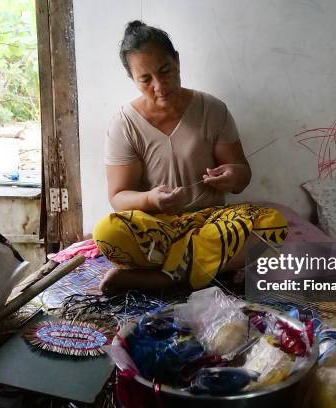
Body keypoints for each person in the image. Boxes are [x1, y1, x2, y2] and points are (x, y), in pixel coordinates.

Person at [92, 20, 288, 294]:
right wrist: (151, 199)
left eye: (165, 71)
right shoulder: (124, 124)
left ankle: (167, 279)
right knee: (106, 232)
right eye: (146, 79)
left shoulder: (213, 110)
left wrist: (232, 175)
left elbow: (241, 177)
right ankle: (198, 270)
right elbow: (119, 197)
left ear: (177, 61)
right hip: (159, 229)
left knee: (272, 221)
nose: (159, 86)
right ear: (132, 79)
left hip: (212, 223)